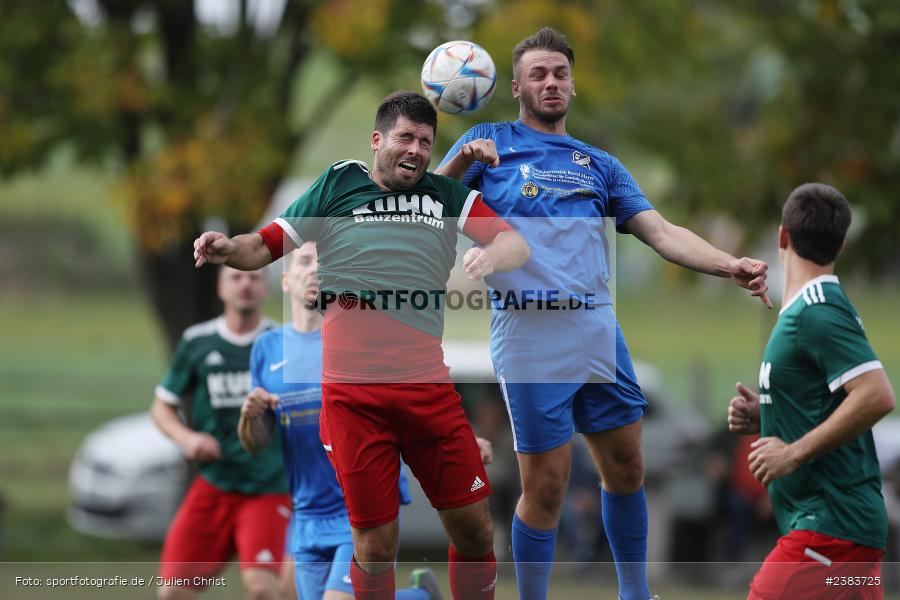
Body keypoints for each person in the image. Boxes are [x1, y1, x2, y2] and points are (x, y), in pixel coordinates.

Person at [437, 26, 771, 600]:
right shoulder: (485, 143)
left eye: (560, 74)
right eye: (538, 74)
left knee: (628, 467)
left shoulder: (599, 164)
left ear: (572, 85)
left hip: (595, 327)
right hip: (528, 330)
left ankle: (636, 595)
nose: (550, 83)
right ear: (515, 86)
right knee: (546, 486)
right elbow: (426, 206)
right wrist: (460, 161)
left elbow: (662, 231)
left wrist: (728, 264)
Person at [192, 91, 530, 600]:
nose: (415, 149)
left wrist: (493, 256)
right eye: (405, 138)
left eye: (425, 141)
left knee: (475, 529)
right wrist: (225, 248)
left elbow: (514, 241)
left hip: (426, 392)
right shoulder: (337, 185)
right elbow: (262, 245)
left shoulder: (444, 196)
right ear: (378, 140)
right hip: (353, 399)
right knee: (374, 543)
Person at [238, 242, 487, 600]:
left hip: (358, 507)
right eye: (305, 262)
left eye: (325, 264)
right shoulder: (267, 348)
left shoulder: (360, 339)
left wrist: (457, 443)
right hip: (306, 514)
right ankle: (420, 596)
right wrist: (251, 416)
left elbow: (410, 406)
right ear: (287, 280)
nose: (315, 271)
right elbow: (255, 442)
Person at [728, 182, 896, 600]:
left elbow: (876, 395)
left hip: (829, 532)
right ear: (841, 244)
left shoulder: (817, 310)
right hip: (842, 532)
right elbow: (826, 402)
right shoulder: (807, 309)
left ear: (782, 236)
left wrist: (792, 452)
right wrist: (767, 415)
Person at [151, 266, 289, 600]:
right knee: (172, 592)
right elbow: (162, 406)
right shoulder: (198, 342)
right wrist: (188, 438)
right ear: (220, 288)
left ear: (265, 288)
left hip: (267, 488)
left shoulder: (284, 342)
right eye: (236, 278)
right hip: (214, 485)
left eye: (254, 278)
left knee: (263, 589)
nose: (245, 284)